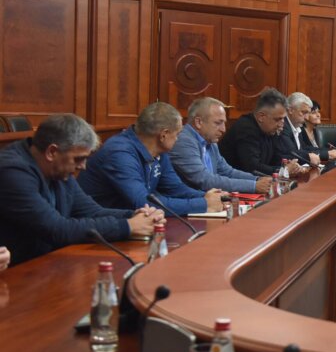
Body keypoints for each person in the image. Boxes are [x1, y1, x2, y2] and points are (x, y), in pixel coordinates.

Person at [0, 114, 160, 266]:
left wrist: (136, 215)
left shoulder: (58, 167)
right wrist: (127, 226)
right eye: (79, 159)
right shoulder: (12, 172)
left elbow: (91, 211)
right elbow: (57, 229)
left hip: (50, 264)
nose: (83, 166)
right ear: (52, 152)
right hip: (18, 271)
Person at [79, 102, 224, 216]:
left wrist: (209, 197)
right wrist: (203, 204)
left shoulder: (160, 150)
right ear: (163, 135)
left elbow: (175, 188)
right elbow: (143, 203)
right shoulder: (119, 153)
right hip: (100, 226)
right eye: (177, 134)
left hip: (134, 221)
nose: (178, 139)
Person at [170, 97, 272, 194]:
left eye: (224, 123)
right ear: (199, 122)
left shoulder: (210, 141)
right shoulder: (183, 141)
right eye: (218, 123)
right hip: (190, 201)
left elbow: (227, 172)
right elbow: (205, 180)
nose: (223, 129)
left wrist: (258, 179)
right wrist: (253, 186)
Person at [219, 88, 302, 176]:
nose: (282, 124)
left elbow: (276, 158)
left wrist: (289, 166)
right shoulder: (246, 129)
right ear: (261, 117)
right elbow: (252, 167)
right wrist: (282, 171)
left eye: (283, 119)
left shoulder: (270, 130)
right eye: (278, 119)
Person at [280, 92, 336, 166]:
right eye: (303, 112)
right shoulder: (282, 127)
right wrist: (325, 154)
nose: (306, 117)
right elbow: (292, 153)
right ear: (290, 110)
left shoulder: (296, 126)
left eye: (307, 113)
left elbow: (304, 148)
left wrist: (328, 151)